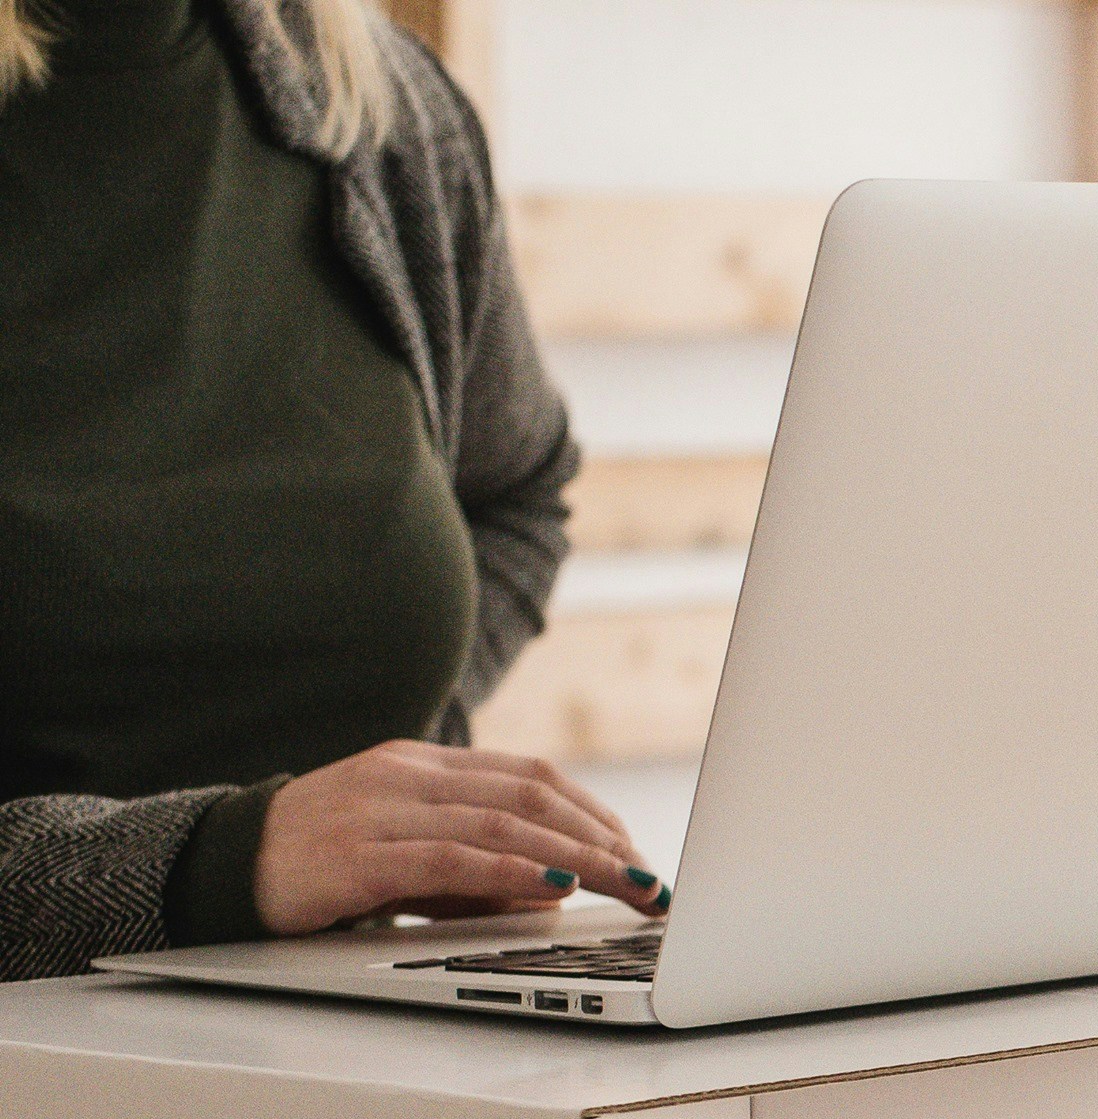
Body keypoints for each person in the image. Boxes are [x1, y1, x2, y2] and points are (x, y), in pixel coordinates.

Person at [0, 0, 668, 988]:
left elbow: (517, 494)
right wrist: (233, 858)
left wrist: (398, 817)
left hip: (347, 1049)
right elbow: (257, 855)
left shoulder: (382, 104)